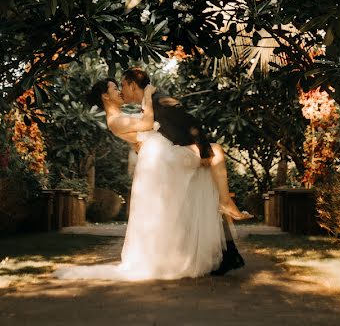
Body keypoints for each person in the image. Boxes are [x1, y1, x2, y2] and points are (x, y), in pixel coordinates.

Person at [54, 77, 229, 280]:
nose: (119, 91)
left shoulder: (120, 116)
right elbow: (147, 123)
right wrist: (146, 94)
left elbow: (139, 138)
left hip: (159, 158)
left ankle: (188, 244)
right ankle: (224, 203)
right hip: (162, 159)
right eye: (114, 88)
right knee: (214, 152)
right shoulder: (115, 120)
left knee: (172, 208)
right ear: (105, 96)